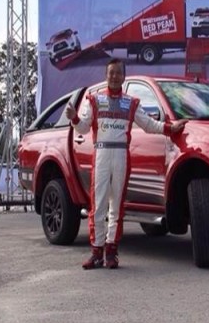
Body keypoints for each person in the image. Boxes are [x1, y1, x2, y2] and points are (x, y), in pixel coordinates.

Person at [66, 58, 187, 269]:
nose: (114, 76)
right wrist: (74, 118)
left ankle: (111, 252)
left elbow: (149, 125)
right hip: (101, 154)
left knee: (116, 206)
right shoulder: (93, 100)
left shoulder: (131, 102)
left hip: (121, 155)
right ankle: (97, 252)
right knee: (98, 205)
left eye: (118, 73)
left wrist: (171, 128)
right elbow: (84, 128)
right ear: (106, 75)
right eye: (111, 72)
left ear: (123, 76)